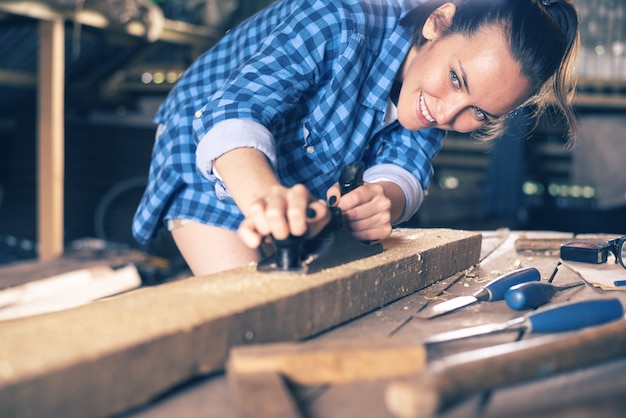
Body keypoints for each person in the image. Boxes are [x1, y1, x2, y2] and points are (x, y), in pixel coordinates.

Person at [132, 0, 580, 276]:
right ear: (438, 22)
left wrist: (383, 198)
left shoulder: (434, 102)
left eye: (478, 112)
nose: (445, 113)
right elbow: (237, 110)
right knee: (251, 316)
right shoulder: (339, 16)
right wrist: (267, 199)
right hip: (205, 146)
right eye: (457, 79)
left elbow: (407, 162)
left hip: (293, 176)